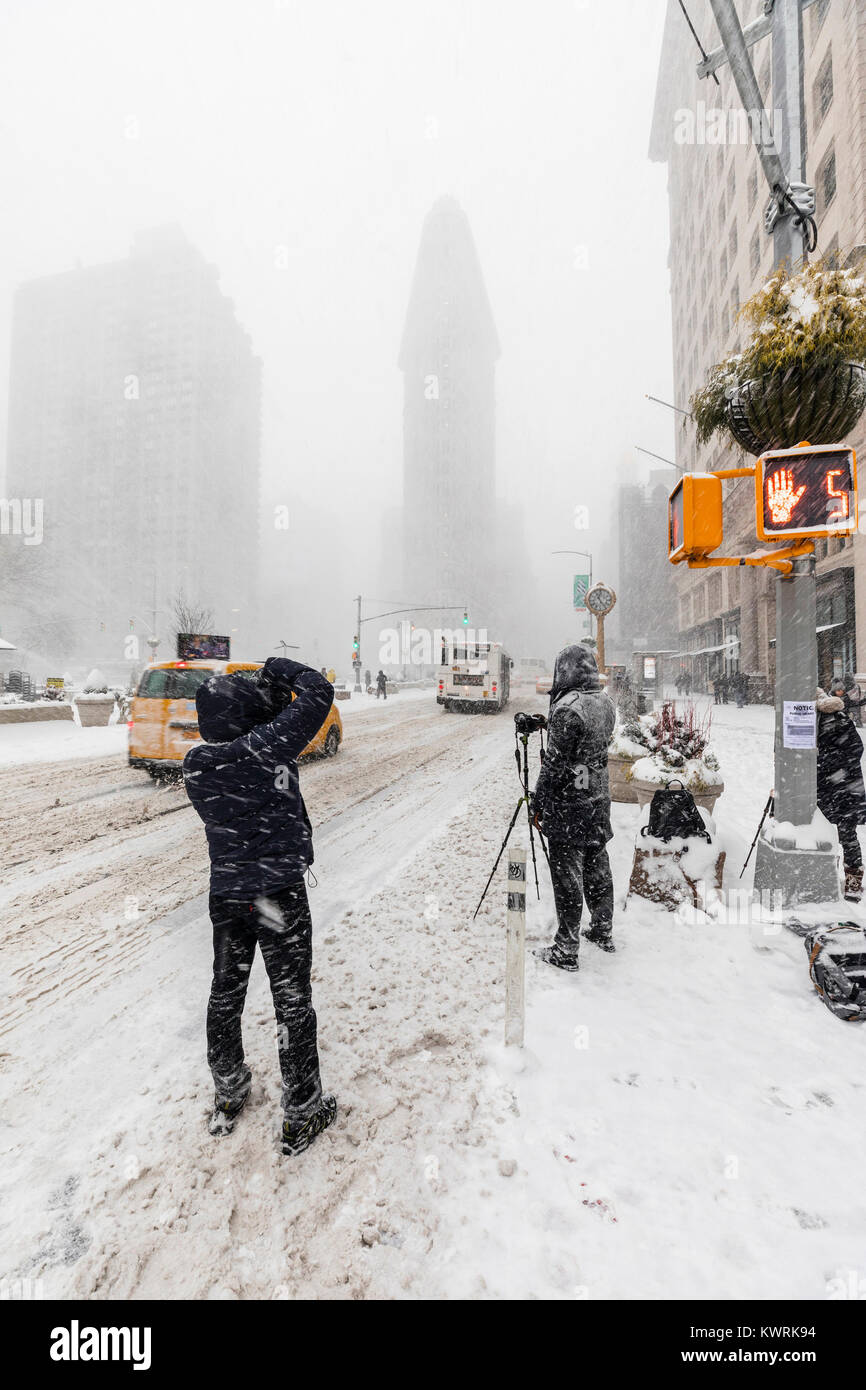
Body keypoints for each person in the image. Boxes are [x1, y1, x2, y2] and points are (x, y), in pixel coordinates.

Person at [183, 657, 338, 1155]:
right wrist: (278, 670)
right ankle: (302, 1109)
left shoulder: (197, 766)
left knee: (225, 993)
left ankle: (228, 1090)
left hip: (227, 896)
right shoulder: (263, 748)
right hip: (274, 896)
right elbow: (317, 694)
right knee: (292, 999)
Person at [530, 644, 617, 969]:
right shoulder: (605, 702)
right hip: (598, 801)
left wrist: (538, 803)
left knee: (567, 879)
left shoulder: (567, 708)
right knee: (597, 870)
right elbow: (590, 744)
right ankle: (603, 929)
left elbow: (554, 766)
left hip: (570, 808)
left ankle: (566, 949)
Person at [816, 684, 866, 902]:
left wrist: (824, 764)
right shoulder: (837, 718)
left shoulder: (836, 720)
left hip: (837, 788)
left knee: (835, 834)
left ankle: (847, 884)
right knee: (846, 835)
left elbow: (856, 749)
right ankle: (850, 885)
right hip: (844, 789)